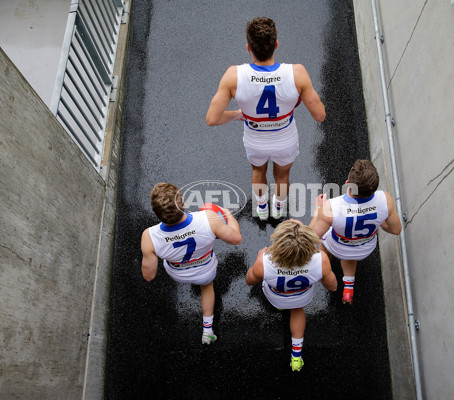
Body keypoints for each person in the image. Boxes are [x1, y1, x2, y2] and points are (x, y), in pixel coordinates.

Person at [206, 17, 326, 221]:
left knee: (258, 170)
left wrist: (237, 114)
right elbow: (320, 115)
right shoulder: (297, 73)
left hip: (255, 138)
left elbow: (212, 119)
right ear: (276, 45)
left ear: (248, 48)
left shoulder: (233, 76)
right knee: (282, 175)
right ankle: (278, 208)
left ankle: (261, 208)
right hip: (285, 138)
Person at [141, 183, 242, 344]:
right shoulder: (209, 218)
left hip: (177, 272)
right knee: (207, 287)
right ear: (184, 203)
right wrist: (227, 214)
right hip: (205, 269)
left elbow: (149, 275)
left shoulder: (149, 236)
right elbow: (236, 239)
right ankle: (207, 331)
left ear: (156, 213)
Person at [246, 219, 337, 371]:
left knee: (279, 301)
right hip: (301, 296)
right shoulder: (320, 259)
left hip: (276, 296)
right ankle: (296, 356)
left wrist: (258, 258)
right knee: (297, 311)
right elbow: (332, 286)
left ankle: (281, 308)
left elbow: (249, 280)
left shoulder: (265, 261)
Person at [309, 159, 402, 305]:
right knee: (351, 254)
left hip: (338, 246)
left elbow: (311, 237)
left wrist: (318, 210)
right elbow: (396, 230)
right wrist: (382, 223)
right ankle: (348, 288)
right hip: (365, 248)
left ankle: (325, 270)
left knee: (323, 246)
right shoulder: (386, 199)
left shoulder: (331, 207)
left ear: (348, 183)